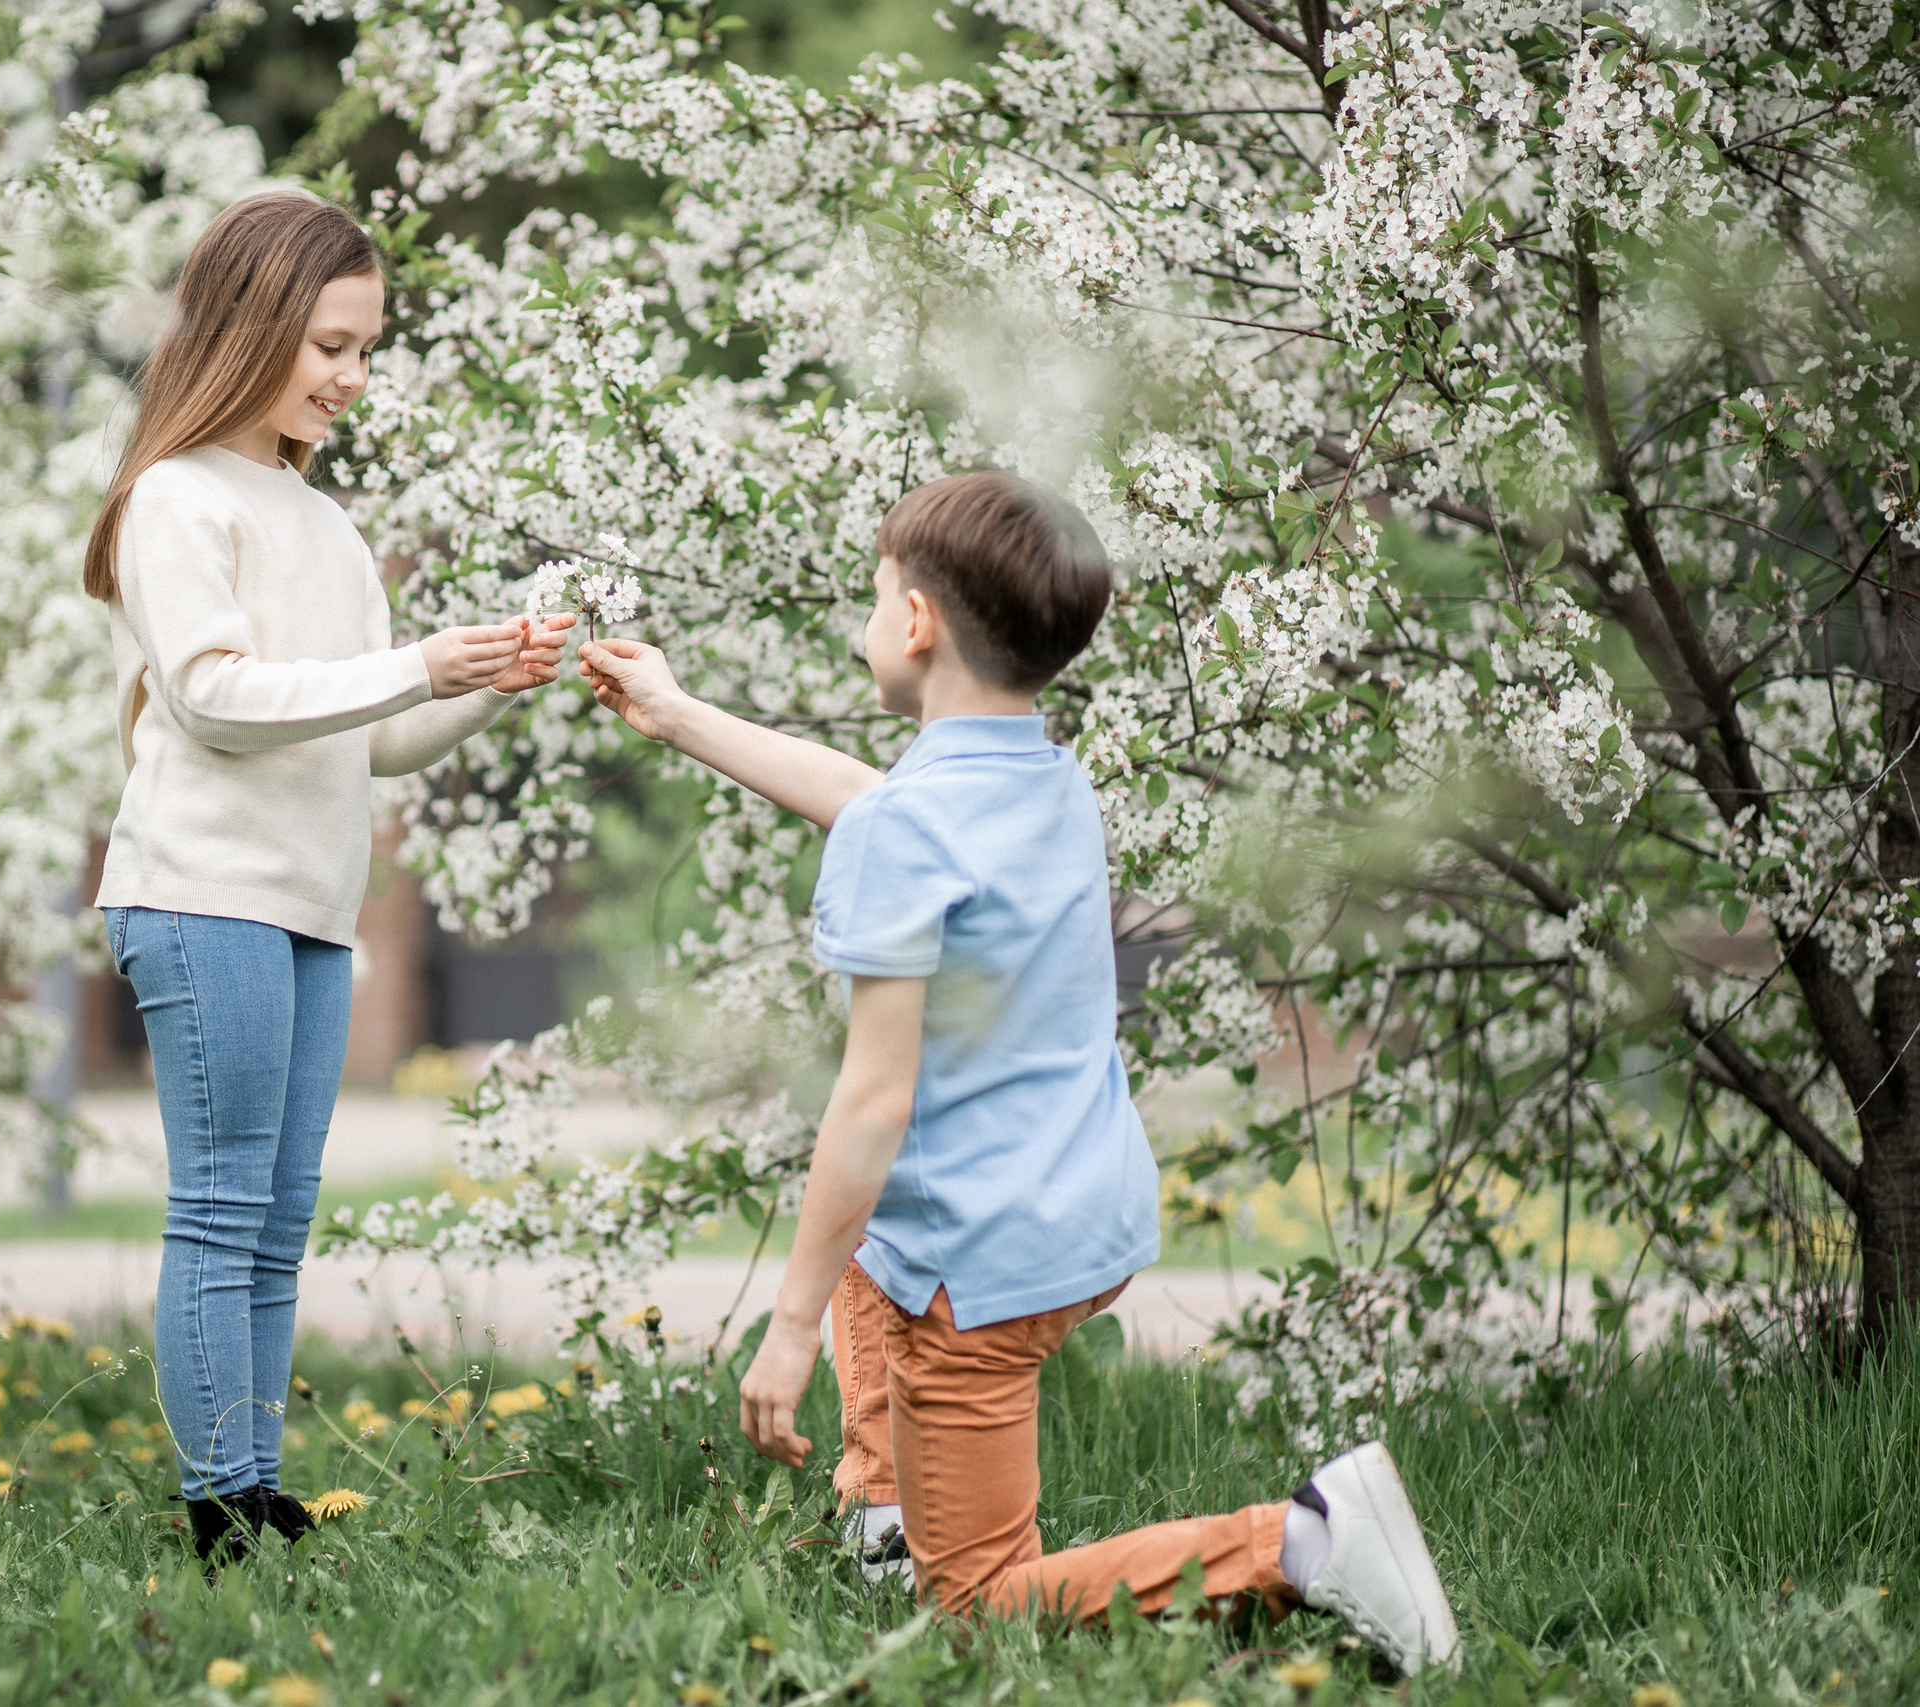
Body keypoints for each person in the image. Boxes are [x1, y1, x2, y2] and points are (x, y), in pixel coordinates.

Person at [578, 472, 1462, 1674]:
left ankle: (1301, 1544)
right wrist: (678, 714)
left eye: (874, 597)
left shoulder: (907, 829)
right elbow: (873, 803)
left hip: (981, 1266)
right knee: (869, 1257)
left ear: (915, 623)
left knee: (977, 1606)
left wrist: (785, 1328)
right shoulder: (1046, 777)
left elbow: (872, 1101)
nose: (866, 620)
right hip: (1078, 1203)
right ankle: (891, 1516)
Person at [83, 190, 575, 1570]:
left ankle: (255, 1491)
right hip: (201, 895)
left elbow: (382, 738)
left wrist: (488, 677)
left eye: (367, 350)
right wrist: (419, 660)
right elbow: (215, 696)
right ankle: (219, 1508)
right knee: (221, 1209)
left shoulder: (327, 525)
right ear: (249, 328)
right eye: (331, 346)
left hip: (307, 908)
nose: (353, 376)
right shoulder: (176, 499)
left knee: (278, 1222)